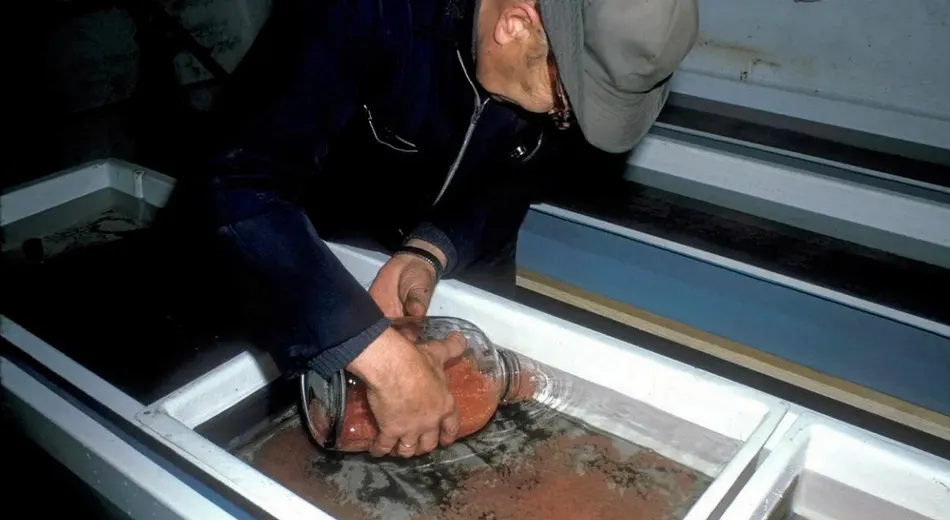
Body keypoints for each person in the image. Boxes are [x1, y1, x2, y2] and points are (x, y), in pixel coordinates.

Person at [165, 0, 698, 458]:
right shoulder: (362, 11)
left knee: (487, 410)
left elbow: (520, 171)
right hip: (310, 257)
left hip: (461, 246)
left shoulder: (558, 50)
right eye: (562, 108)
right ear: (514, 25)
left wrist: (431, 248)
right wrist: (372, 354)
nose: (563, 121)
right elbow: (234, 185)